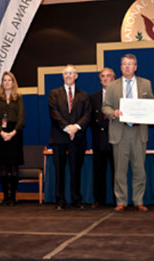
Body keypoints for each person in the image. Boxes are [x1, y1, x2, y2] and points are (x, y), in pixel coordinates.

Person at [102, 54, 154, 212]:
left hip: (139, 132)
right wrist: (113, 113)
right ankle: (121, 201)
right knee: (120, 170)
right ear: (120, 67)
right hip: (120, 131)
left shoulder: (146, 84)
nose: (127, 67)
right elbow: (106, 107)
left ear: (135, 66)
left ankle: (138, 201)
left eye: (130, 64)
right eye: (124, 64)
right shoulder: (112, 86)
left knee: (139, 169)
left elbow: (151, 103)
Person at [49, 64, 91, 210]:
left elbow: (87, 115)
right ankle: (60, 200)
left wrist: (76, 127)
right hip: (59, 137)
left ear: (76, 76)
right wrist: (68, 128)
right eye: (66, 73)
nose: (68, 76)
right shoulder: (54, 93)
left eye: (71, 73)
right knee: (59, 170)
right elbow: (54, 113)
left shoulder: (84, 95)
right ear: (62, 76)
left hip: (78, 138)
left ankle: (76, 199)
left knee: (75, 170)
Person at [0, 71, 25, 205]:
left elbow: (21, 118)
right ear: (2, 83)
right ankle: (6, 196)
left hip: (15, 134)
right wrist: (2, 132)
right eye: (4, 80)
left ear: (13, 83)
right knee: (3, 167)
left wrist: (12, 133)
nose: (7, 82)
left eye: (9, 80)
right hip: (1, 134)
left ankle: (13, 197)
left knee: (14, 166)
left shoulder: (19, 98)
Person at [90, 68, 115, 208]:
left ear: (114, 79)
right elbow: (90, 119)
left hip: (116, 140)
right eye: (103, 76)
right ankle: (99, 199)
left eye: (108, 76)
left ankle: (119, 200)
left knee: (117, 173)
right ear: (100, 80)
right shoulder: (93, 97)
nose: (105, 79)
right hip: (99, 140)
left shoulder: (120, 96)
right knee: (98, 172)